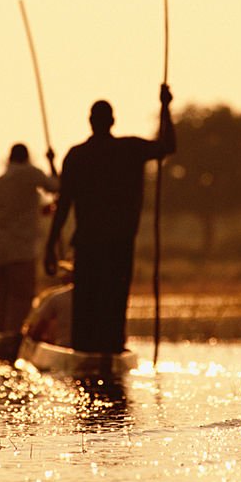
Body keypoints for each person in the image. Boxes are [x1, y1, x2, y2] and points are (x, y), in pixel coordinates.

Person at [44, 86, 176, 353]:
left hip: (89, 245)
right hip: (119, 244)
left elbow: (63, 205)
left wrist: (49, 245)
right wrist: (165, 108)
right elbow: (167, 145)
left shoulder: (76, 155)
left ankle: (88, 354)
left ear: (91, 122)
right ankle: (110, 350)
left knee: (87, 306)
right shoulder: (129, 149)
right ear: (112, 122)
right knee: (114, 304)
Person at [0, 143, 60, 332]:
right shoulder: (30, 174)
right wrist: (52, 162)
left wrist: (37, 212)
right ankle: (12, 338)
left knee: (0, 299)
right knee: (21, 298)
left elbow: (7, 212)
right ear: (26, 158)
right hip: (21, 249)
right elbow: (56, 186)